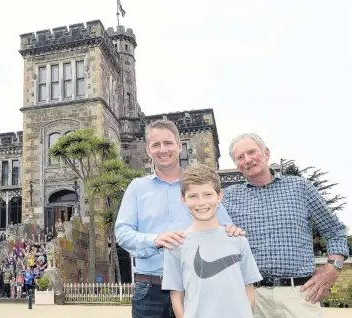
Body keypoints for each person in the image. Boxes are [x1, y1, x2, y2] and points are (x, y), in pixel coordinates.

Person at [115, 119, 244, 318]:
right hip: (150, 289)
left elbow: (225, 228)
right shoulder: (137, 187)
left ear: (178, 145)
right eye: (155, 145)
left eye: (167, 143)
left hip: (195, 287)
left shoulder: (197, 187)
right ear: (148, 150)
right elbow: (122, 233)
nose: (162, 149)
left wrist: (232, 232)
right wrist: (154, 240)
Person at [221, 133, 349, 318]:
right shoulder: (228, 197)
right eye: (240, 157)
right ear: (236, 164)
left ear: (266, 153)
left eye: (251, 152)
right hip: (252, 297)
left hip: (298, 294)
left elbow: (334, 230)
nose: (247, 159)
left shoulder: (300, 187)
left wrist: (333, 268)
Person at [162, 164, 262, 318]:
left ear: (219, 196)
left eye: (207, 194)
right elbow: (177, 297)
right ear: (183, 199)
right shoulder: (175, 245)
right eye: (193, 196)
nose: (201, 202)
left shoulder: (238, 239)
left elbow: (249, 290)